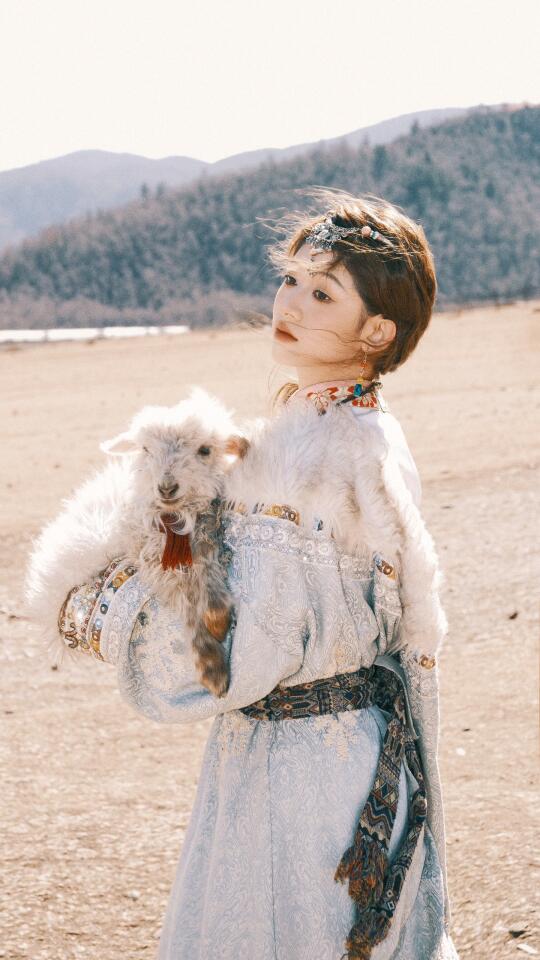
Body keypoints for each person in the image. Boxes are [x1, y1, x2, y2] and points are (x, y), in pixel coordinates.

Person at [54, 188, 459, 960]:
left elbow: (238, 657)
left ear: (377, 330)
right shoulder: (344, 428)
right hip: (339, 755)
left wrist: (99, 607)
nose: (291, 302)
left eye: (322, 293)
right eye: (290, 279)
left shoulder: (315, 458)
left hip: (305, 786)